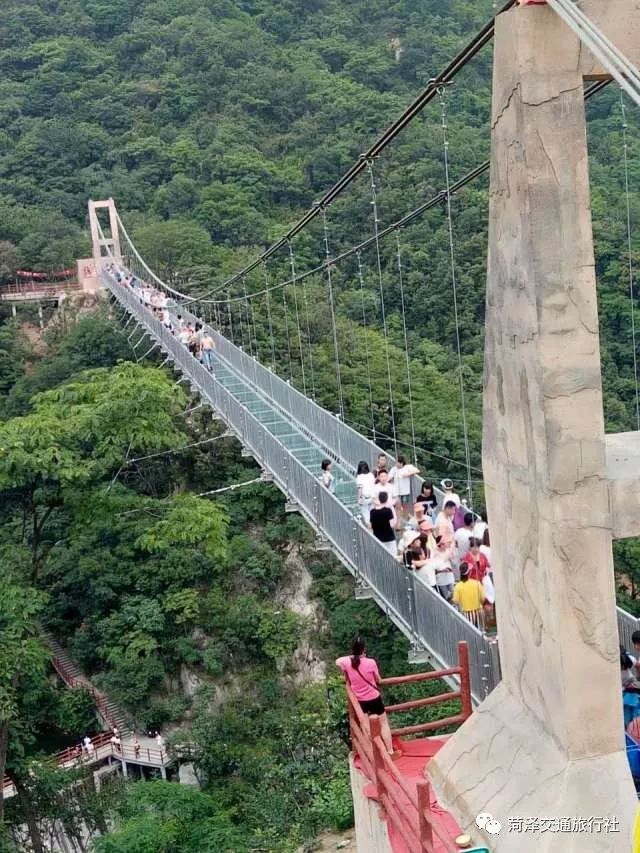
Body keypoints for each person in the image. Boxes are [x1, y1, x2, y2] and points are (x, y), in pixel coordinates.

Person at [336, 637, 400, 758]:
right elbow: (379, 680)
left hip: (360, 700)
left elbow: (338, 661)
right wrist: (362, 657)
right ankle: (390, 752)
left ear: (352, 649)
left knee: (366, 726)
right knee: (383, 724)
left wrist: (353, 656)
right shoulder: (370, 662)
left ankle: (373, 755)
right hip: (374, 698)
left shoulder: (347, 662)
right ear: (364, 649)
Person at [368, 492, 398, 556]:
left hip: (378, 537)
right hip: (389, 537)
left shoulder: (372, 512)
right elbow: (392, 525)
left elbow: (370, 525)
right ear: (387, 499)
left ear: (379, 498)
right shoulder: (388, 510)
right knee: (393, 555)